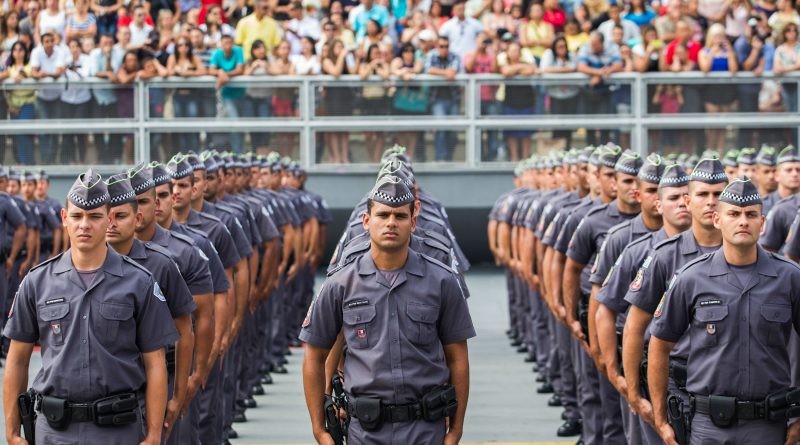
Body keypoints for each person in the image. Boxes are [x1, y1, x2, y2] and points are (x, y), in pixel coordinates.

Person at [3, 168, 178, 445]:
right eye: (77, 216)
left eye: (95, 216)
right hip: (55, 431)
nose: (85, 224)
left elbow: (155, 363)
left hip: (118, 429)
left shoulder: (139, 282)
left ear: (108, 219)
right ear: (65, 219)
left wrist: (154, 434)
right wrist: (12, 431)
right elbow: (17, 359)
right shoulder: (37, 282)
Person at [301, 175, 475, 444]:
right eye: (382, 215)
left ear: (413, 222)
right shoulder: (340, 284)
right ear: (366, 221)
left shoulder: (442, 281)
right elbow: (314, 355)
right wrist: (319, 429)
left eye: (400, 216)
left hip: (425, 429)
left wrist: (455, 430)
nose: (391, 223)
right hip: (365, 431)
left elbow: (458, 358)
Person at [648, 176, 800, 445]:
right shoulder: (690, 278)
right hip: (709, 427)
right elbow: (659, 344)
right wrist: (661, 419)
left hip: (768, 425)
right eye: (733, 213)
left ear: (762, 224)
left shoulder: (789, 278)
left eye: (751, 214)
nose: (743, 221)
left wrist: (798, 417)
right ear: (718, 220)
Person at [621, 157, 728, 442]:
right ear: (688, 201)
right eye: (703, 194)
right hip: (676, 388)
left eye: (718, 194)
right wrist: (634, 393)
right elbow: (634, 327)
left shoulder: (748, 255)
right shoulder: (664, 256)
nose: (711, 202)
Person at [577, 31, 623, 146]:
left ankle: (604, 150)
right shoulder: (585, 47)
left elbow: (618, 65)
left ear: (602, 43)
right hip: (589, 90)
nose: (592, 47)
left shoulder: (612, 47)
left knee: (605, 123)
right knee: (589, 124)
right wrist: (598, 73)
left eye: (595, 45)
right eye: (591, 44)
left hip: (606, 91)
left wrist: (601, 75)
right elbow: (581, 67)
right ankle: (591, 149)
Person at [698, 23, 738, 151]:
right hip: (711, 90)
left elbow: (733, 70)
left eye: (721, 36)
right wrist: (712, 53)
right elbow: (705, 69)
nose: (719, 39)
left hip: (726, 90)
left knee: (723, 124)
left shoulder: (728, 52)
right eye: (716, 36)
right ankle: (711, 149)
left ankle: (721, 151)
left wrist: (730, 52)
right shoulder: (704, 51)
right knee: (712, 123)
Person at [425, 35, 463, 162]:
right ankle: (440, 159)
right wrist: (445, 73)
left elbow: (454, 71)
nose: (444, 49)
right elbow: (428, 69)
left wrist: (441, 73)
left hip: (453, 99)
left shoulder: (455, 56)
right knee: (441, 128)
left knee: (453, 131)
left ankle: (449, 158)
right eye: (441, 46)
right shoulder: (431, 55)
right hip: (437, 100)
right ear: (437, 46)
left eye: (446, 46)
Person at [210, 34, 246, 151]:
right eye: (225, 43)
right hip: (227, 95)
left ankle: (240, 153)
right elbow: (211, 70)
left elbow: (240, 70)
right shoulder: (217, 53)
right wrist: (220, 72)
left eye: (230, 43)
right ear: (221, 44)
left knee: (243, 125)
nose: (228, 46)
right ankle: (237, 153)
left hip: (241, 94)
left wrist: (224, 74)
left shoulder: (238, 51)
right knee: (235, 124)